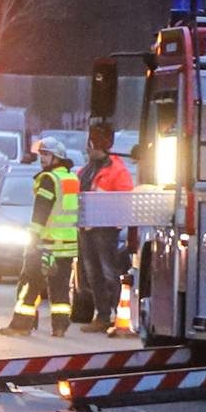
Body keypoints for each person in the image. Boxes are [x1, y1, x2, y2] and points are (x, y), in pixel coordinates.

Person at [0, 137, 80, 336]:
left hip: (47, 244)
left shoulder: (49, 179)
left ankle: (20, 325)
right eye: (41, 154)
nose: (42, 158)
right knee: (60, 288)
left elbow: (41, 212)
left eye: (46, 154)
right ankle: (60, 327)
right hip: (67, 245)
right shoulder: (71, 178)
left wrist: (33, 240)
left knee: (29, 284)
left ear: (56, 157)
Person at [74, 120, 137, 334]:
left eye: (90, 142)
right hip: (87, 228)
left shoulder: (116, 171)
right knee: (93, 274)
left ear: (97, 144)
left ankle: (118, 315)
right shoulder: (86, 171)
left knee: (109, 273)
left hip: (105, 230)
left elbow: (124, 199)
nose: (87, 147)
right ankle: (102, 315)